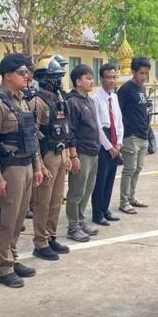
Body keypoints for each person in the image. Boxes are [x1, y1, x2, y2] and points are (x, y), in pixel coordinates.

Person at [0, 53, 44, 287]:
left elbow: (31, 136)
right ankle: (3, 267)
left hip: (26, 165)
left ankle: (12, 257)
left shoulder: (22, 101)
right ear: (7, 75)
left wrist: (37, 166)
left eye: (27, 73)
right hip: (10, 169)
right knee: (6, 219)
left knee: (19, 218)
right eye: (22, 73)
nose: (27, 76)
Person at [30, 56, 72, 261]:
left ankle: (51, 235)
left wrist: (68, 155)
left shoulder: (59, 99)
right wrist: (38, 164)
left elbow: (65, 128)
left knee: (56, 200)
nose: (59, 80)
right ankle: (40, 242)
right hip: (47, 155)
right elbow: (32, 135)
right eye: (55, 77)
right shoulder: (36, 102)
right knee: (43, 202)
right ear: (44, 78)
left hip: (60, 153)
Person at [64, 64, 102, 242]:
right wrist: (73, 156)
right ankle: (73, 227)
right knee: (76, 191)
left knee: (88, 189)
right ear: (78, 81)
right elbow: (70, 131)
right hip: (81, 153)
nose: (92, 81)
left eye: (92, 78)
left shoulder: (89, 101)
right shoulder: (72, 102)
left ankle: (80, 220)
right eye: (88, 78)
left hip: (93, 152)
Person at [117, 56, 152, 214]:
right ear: (133, 71)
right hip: (130, 135)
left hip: (143, 134)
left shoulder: (142, 88)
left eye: (146, 73)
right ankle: (124, 202)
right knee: (129, 169)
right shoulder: (125, 89)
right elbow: (118, 113)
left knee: (138, 168)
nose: (144, 76)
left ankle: (131, 197)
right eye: (141, 73)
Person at [91, 63, 124, 225]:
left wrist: (119, 142)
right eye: (109, 77)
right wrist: (109, 147)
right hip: (103, 142)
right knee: (101, 179)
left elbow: (119, 121)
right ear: (102, 79)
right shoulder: (95, 99)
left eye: (114, 77)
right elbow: (97, 126)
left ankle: (105, 209)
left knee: (111, 177)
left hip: (114, 139)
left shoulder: (115, 98)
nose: (112, 80)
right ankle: (97, 213)